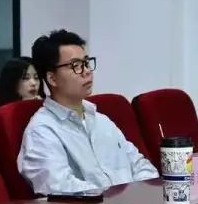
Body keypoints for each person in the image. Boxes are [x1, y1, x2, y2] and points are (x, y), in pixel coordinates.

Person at [18, 30, 157, 195]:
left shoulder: (102, 121)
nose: (87, 71)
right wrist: (117, 199)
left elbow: (142, 167)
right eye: (76, 66)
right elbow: (59, 189)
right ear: (52, 78)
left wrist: (141, 196)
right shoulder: (42, 130)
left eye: (86, 63)